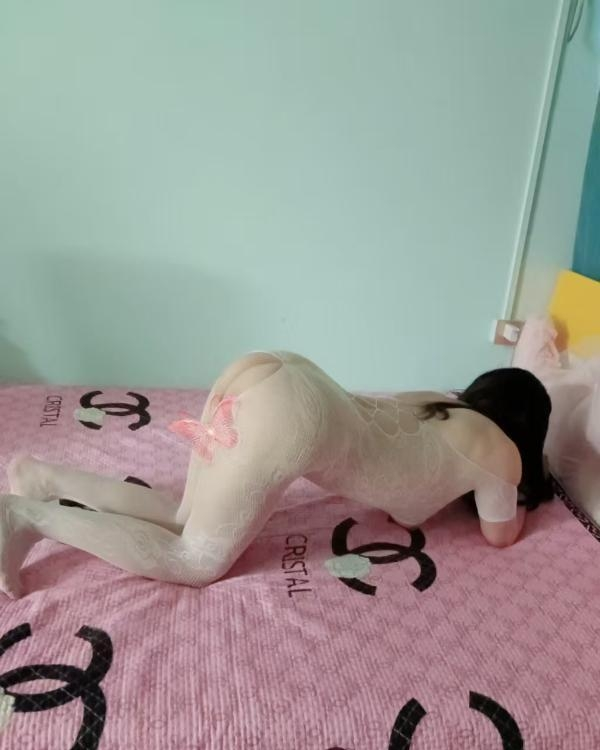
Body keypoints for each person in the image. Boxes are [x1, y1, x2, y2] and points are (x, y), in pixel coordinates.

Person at [0, 351, 552, 598]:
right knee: (194, 562)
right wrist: (527, 484)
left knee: (181, 516)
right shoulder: (503, 452)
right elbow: (500, 535)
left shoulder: (438, 401)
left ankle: (43, 479)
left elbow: (404, 487)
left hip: (278, 371)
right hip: (294, 417)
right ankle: (27, 517)